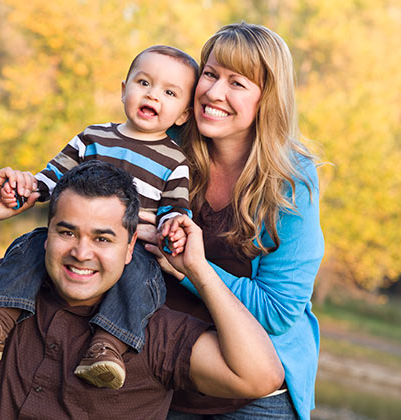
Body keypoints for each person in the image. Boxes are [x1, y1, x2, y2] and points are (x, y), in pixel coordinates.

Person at [0, 160, 284, 419]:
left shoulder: (155, 335)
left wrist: (198, 269)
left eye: (102, 238)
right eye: (67, 232)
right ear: (47, 234)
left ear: (130, 246)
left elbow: (260, 377)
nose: (82, 252)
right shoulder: (2, 295)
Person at [0, 45, 198, 390]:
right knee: (30, 246)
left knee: (142, 277)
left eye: (169, 92)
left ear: (183, 115)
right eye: (144, 83)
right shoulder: (93, 137)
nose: (153, 95)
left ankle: (108, 347)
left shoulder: (175, 161)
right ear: (123, 88)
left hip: (131, 246)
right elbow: (52, 178)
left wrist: (173, 228)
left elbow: (175, 210)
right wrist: (26, 188)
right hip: (73, 235)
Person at [146, 23, 324, 420]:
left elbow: (277, 311)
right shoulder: (164, 146)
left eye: (236, 83)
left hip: (254, 395)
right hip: (162, 374)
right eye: (210, 74)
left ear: (267, 99)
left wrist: (188, 269)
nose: (214, 93)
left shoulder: (290, 183)